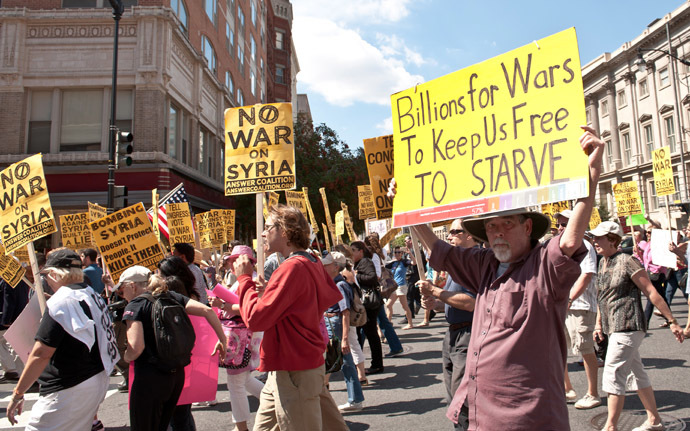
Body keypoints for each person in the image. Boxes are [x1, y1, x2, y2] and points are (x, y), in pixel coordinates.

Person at [390, 126, 605, 429]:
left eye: (507, 224)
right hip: (479, 410)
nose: (498, 232)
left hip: (527, 417)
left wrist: (592, 172)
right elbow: (440, 249)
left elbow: (570, 242)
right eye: (491, 227)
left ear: (528, 227)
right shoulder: (485, 264)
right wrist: (409, 206)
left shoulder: (545, 265)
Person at [234, 204, 346, 430]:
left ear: (284, 231)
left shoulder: (292, 267)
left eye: (267, 228)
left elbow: (256, 319)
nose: (262, 233)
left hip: (296, 367)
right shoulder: (311, 260)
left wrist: (244, 279)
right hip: (292, 365)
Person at [6, 249, 118, 430]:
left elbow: (41, 353)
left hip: (68, 387)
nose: (47, 281)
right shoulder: (91, 294)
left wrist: (18, 393)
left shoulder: (62, 301)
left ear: (54, 274)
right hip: (94, 378)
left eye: (47, 276)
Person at [590, 221, 684, 431]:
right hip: (611, 326)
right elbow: (601, 296)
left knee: (613, 373)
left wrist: (673, 321)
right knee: (636, 373)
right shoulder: (603, 261)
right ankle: (654, 421)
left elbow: (650, 291)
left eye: (599, 237)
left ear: (613, 240)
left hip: (628, 325)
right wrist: (598, 325)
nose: (595, 241)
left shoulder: (627, 260)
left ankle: (610, 427)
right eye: (594, 237)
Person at [120, 266, 226, 431]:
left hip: (149, 378)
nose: (121, 293)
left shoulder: (135, 305)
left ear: (132, 286)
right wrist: (222, 339)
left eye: (121, 289)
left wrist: (125, 357)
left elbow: (136, 347)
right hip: (175, 376)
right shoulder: (172, 297)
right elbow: (207, 310)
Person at [418, 218, 476, 431]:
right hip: (452, 335)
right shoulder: (457, 266)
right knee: (453, 394)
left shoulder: (473, 265)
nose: (449, 236)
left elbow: (471, 302)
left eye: (454, 232)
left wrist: (435, 291)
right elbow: (453, 302)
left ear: (469, 235)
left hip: (468, 334)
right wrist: (436, 303)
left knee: (464, 398)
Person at [210, 245, 264, 431]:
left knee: (235, 383)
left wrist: (224, 305)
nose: (231, 264)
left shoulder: (252, 280)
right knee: (243, 379)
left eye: (235, 260)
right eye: (231, 260)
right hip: (240, 336)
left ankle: (242, 427)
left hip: (243, 337)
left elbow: (250, 309)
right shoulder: (242, 280)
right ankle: (277, 404)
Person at [555, 210, 602, 410]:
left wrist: (570, 298)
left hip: (580, 305)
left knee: (585, 349)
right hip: (562, 304)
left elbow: (587, 274)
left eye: (564, 224)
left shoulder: (586, 245)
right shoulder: (558, 247)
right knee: (558, 348)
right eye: (558, 224)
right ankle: (566, 389)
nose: (560, 228)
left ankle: (593, 393)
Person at [322, 251, 365, 412]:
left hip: (336, 324)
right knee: (338, 360)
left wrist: (345, 338)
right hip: (330, 322)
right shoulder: (334, 282)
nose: (323, 267)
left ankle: (355, 399)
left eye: (326, 264)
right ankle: (353, 398)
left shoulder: (340, 285)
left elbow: (345, 313)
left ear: (335, 267)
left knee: (345, 361)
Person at [350, 240, 385, 375]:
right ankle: (360, 363)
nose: (352, 253)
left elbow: (372, 277)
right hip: (364, 303)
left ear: (361, 251)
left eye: (353, 250)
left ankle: (377, 364)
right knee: (361, 333)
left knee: (370, 333)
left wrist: (355, 276)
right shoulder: (359, 263)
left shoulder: (366, 262)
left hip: (369, 303)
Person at [0, 277, 29, 383]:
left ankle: (16, 371)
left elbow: (9, 300)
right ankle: (14, 370)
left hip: (11, 318)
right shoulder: (23, 280)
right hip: (20, 316)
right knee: (14, 345)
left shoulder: (9, 282)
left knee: (11, 345)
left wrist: (6, 319)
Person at [385, 246, 414, 329]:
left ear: (402, 254)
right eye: (395, 252)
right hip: (394, 287)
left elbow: (414, 263)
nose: (397, 254)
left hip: (401, 286)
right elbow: (383, 266)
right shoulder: (392, 263)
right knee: (388, 305)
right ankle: (389, 323)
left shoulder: (404, 262)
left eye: (399, 252)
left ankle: (410, 323)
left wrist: (410, 253)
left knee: (404, 306)